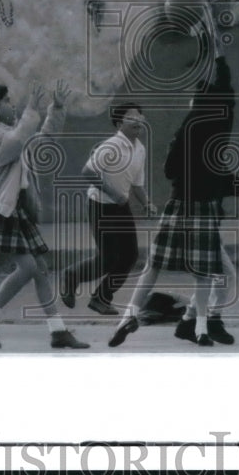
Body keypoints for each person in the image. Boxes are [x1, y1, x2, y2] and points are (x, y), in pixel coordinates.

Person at [108, 4, 239, 348]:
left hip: (177, 205)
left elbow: (171, 170)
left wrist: (209, 42)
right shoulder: (216, 135)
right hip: (201, 210)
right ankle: (205, 323)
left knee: (153, 265)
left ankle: (147, 318)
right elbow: (229, 185)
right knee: (219, 273)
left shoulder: (187, 130)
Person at [0, 80, 89, 350]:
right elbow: (17, 142)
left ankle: (58, 331)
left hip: (16, 210)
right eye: (8, 102)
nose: (14, 105)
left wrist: (55, 110)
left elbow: (42, 141)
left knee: (41, 271)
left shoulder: (14, 132)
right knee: (29, 267)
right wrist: (31, 110)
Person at [60, 102, 155, 316]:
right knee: (108, 259)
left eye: (140, 117)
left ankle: (101, 298)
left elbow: (137, 184)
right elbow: (87, 172)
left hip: (121, 206)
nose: (138, 121)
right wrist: (113, 193)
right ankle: (72, 275)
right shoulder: (110, 146)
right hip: (100, 206)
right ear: (119, 122)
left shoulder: (140, 148)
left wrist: (146, 203)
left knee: (130, 256)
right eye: (132, 117)